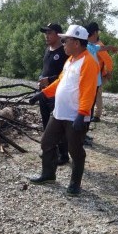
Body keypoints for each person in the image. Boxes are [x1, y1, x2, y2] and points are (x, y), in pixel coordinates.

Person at [28, 25, 99, 196]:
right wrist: (43, 94)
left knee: (75, 150)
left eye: (65, 40)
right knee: (47, 142)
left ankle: (75, 184)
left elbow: (89, 91)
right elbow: (60, 82)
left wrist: (82, 115)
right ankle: (48, 174)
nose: (63, 43)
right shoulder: (71, 60)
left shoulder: (88, 62)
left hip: (75, 115)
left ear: (76, 42)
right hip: (59, 112)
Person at [35, 22, 69, 165]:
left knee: (57, 125)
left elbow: (66, 74)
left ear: (58, 34)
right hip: (44, 92)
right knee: (45, 123)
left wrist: (50, 79)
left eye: (49, 33)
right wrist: (41, 78)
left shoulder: (64, 51)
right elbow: (46, 69)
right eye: (46, 33)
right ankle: (50, 152)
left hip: (57, 94)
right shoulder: (48, 49)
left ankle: (64, 155)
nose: (46, 36)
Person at [85, 22, 115, 123]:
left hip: (99, 75)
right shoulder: (90, 45)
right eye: (97, 31)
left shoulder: (97, 45)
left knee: (97, 95)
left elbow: (108, 60)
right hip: (92, 75)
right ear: (95, 32)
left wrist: (109, 72)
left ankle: (97, 115)